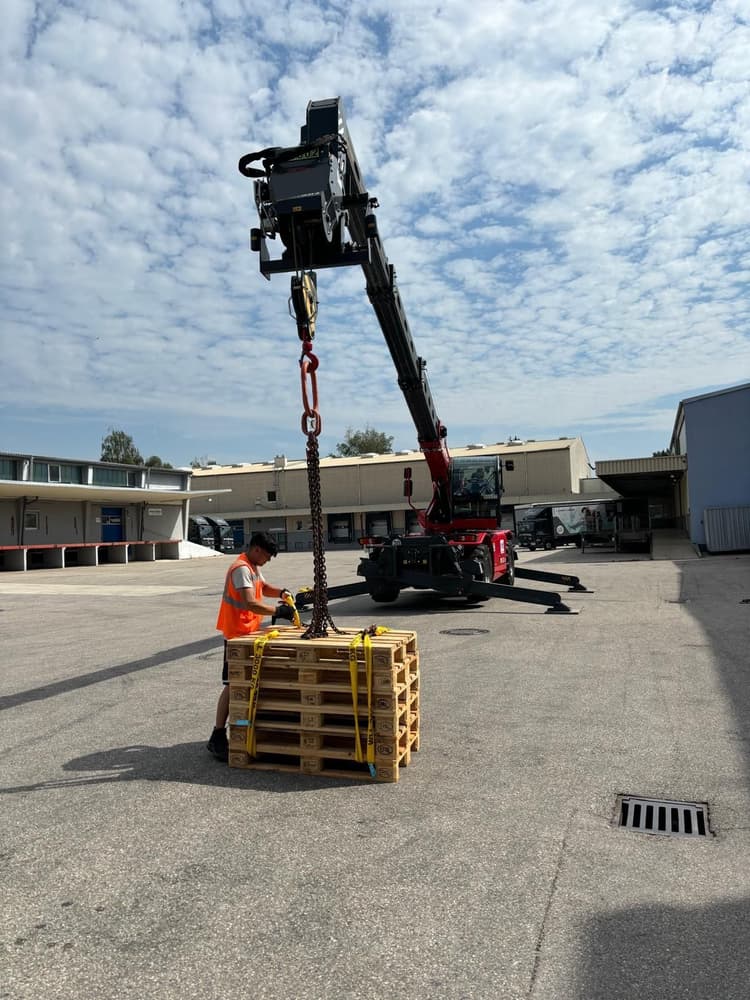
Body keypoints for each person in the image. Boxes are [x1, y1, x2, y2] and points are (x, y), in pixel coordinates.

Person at [207, 531, 293, 762]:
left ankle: (246, 728)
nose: (267, 560)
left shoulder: (253, 567)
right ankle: (217, 735)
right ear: (256, 550)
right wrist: (278, 611)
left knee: (247, 682)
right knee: (232, 683)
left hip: (249, 634)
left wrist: (283, 593)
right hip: (236, 636)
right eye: (266, 556)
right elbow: (249, 602)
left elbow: (263, 588)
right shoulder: (241, 568)